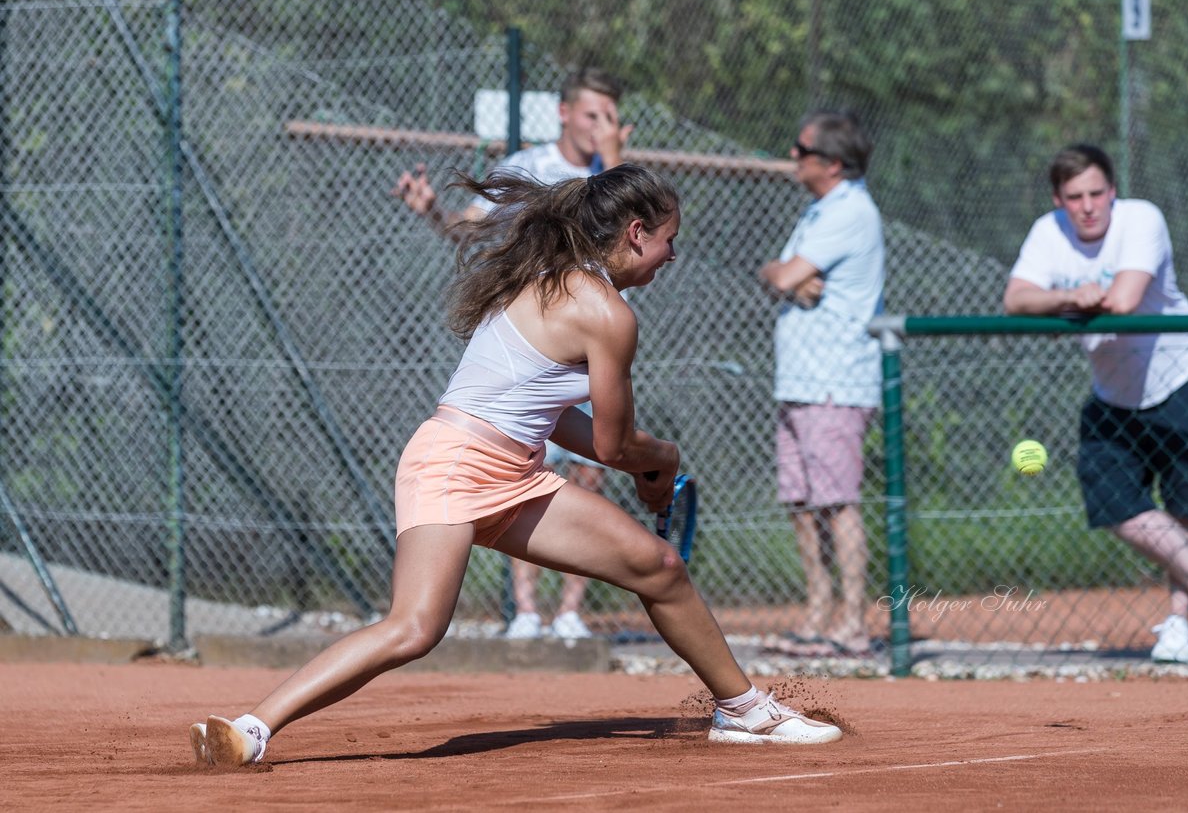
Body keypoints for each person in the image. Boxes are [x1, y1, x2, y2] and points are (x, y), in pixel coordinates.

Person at [189, 164, 842, 767]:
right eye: (670, 238)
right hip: (452, 464)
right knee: (413, 628)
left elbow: (554, 418)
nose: (673, 253)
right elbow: (616, 448)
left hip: (514, 472)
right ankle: (250, 728)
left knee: (658, 567)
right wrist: (662, 459)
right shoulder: (604, 311)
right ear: (637, 233)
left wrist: (648, 467)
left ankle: (745, 711)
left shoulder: (551, 284)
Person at [394, 67, 633, 640]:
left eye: (611, 115)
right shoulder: (533, 166)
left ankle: (570, 612)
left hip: (590, 344)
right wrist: (430, 211)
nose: (602, 124)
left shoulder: (619, 181)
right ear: (565, 113)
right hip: (534, 349)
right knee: (525, 472)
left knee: (590, 471)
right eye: (593, 113)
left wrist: (614, 159)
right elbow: (475, 231)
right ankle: (527, 610)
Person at [1003, 143, 1188, 664]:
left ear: (1113, 192)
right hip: (1113, 395)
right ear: (1059, 200)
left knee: (1187, 510)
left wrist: (1070, 298)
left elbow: (1123, 300)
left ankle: (1181, 630)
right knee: (1112, 502)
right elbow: (1017, 298)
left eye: (1097, 193)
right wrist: (1071, 297)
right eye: (1075, 197)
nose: (1089, 205)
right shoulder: (1047, 232)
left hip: (1180, 377)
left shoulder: (1142, 219)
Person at [758, 110, 883, 660]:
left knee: (838, 502)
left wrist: (784, 274)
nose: (792, 158)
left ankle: (853, 624)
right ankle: (818, 613)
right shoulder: (819, 210)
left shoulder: (850, 210)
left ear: (832, 163)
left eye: (800, 150)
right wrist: (782, 273)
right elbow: (782, 275)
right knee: (802, 503)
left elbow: (783, 276)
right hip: (802, 380)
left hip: (836, 380)